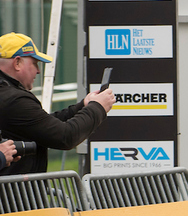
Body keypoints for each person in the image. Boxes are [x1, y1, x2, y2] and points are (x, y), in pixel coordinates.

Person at [0, 32, 113, 175]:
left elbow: (42, 125)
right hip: (14, 195)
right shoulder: (13, 99)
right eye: (35, 63)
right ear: (17, 63)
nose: (39, 71)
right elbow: (65, 136)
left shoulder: (8, 95)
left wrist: (84, 106)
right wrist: (98, 108)